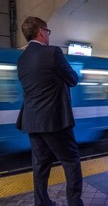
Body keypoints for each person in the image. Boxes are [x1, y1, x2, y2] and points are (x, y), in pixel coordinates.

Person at [16, 16, 83, 206]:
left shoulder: (22, 60)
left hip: (32, 121)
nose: (48, 35)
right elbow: (72, 79)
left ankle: (42, 202)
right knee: (71, 161)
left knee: (40, 165)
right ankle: (75, 203)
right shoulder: (53, 53)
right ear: (41, 31)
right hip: (55, 120)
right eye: (47, 31)